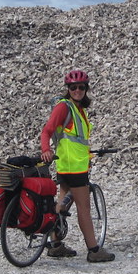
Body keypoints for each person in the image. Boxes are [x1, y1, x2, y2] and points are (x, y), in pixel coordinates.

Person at [40, 69, 115, 262]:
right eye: (73, 87)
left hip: (68, 165)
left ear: (86, 88)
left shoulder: (78, 109)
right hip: (74, 167)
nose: (77, 90)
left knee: (61, 204)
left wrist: (88, 153)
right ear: (68, 89)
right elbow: (47, 131)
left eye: (81, 87)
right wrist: (45, 149)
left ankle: (55, 245)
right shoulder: (64, 107)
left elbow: (76, 140)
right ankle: (94, 250)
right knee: (84, 208)